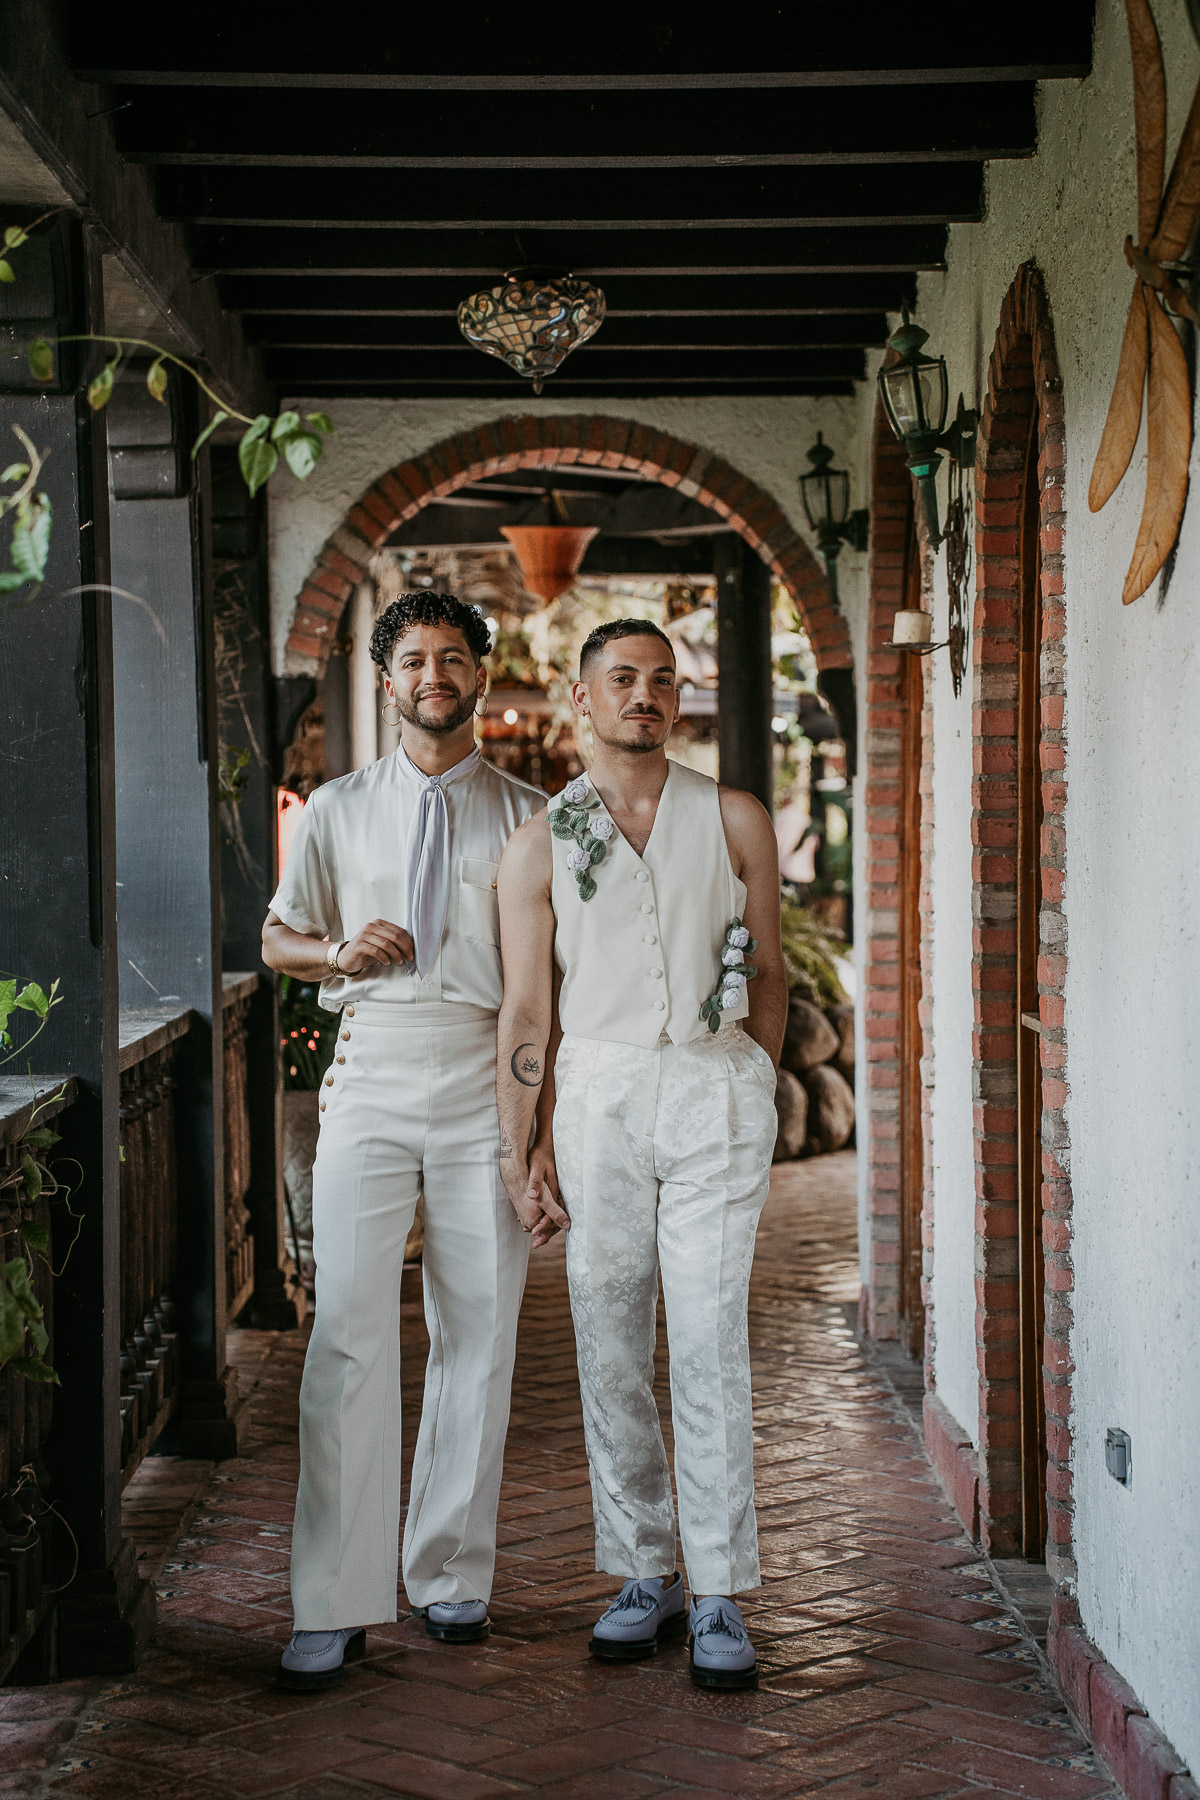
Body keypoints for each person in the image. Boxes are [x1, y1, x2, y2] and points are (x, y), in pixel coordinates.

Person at [262, 591, 558, 1692]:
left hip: (489, 1077)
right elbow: (275, 935)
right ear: (387, 681)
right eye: (414, 659)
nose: (434, 674)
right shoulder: (335, 809)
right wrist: (338, 952)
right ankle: (331, 1600)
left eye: (453, 657)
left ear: (482, 676)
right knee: (347, 1330)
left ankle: (449, 1575)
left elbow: (548, 990)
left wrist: (537, 1129)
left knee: (478, 1332)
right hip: (374, 1068)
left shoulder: (536, 816)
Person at [495, 617, 786, 1691]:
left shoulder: (736, 815)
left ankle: (717, 1590)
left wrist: (750, 1077)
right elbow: (528, 1010)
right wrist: (521, 1149)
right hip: (601, 1094)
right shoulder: (539, 841)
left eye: (664, 679)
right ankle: (641, 1571)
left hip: (714, 1081)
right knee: (609, 1330)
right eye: (623, 679)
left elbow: (774, 970)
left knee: (708, 1332)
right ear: (584, 699)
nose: (645, 695)